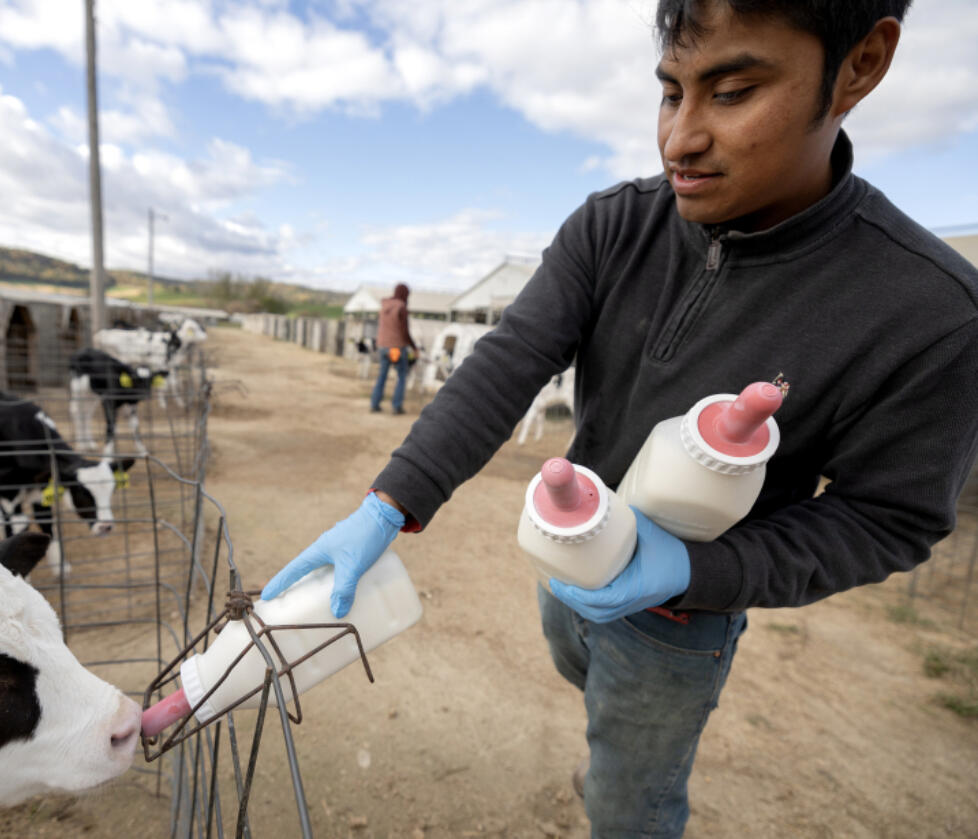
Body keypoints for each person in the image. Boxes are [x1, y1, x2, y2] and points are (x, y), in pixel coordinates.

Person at [263, 1, 978, 836]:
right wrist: (389, 501)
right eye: (671, 93)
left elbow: (889, 517)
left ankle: (621, 781)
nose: (680, 139)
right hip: (567, 559)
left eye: (734, 90)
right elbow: (511, 359)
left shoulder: (928, 312)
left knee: (629, 802)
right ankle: (613, 745)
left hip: (679, 617)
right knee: (586, 677)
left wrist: (693, 569)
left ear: (859, 66)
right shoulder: (616, 225)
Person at [369, 283, 419, 415]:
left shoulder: (385, 306)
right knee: (402, 376)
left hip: (383, 347)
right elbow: (404, 332)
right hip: (396, 348)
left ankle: (375, 404)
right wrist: (414, 348)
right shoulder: (401, 307)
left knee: (382, 376)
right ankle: (397, 406)